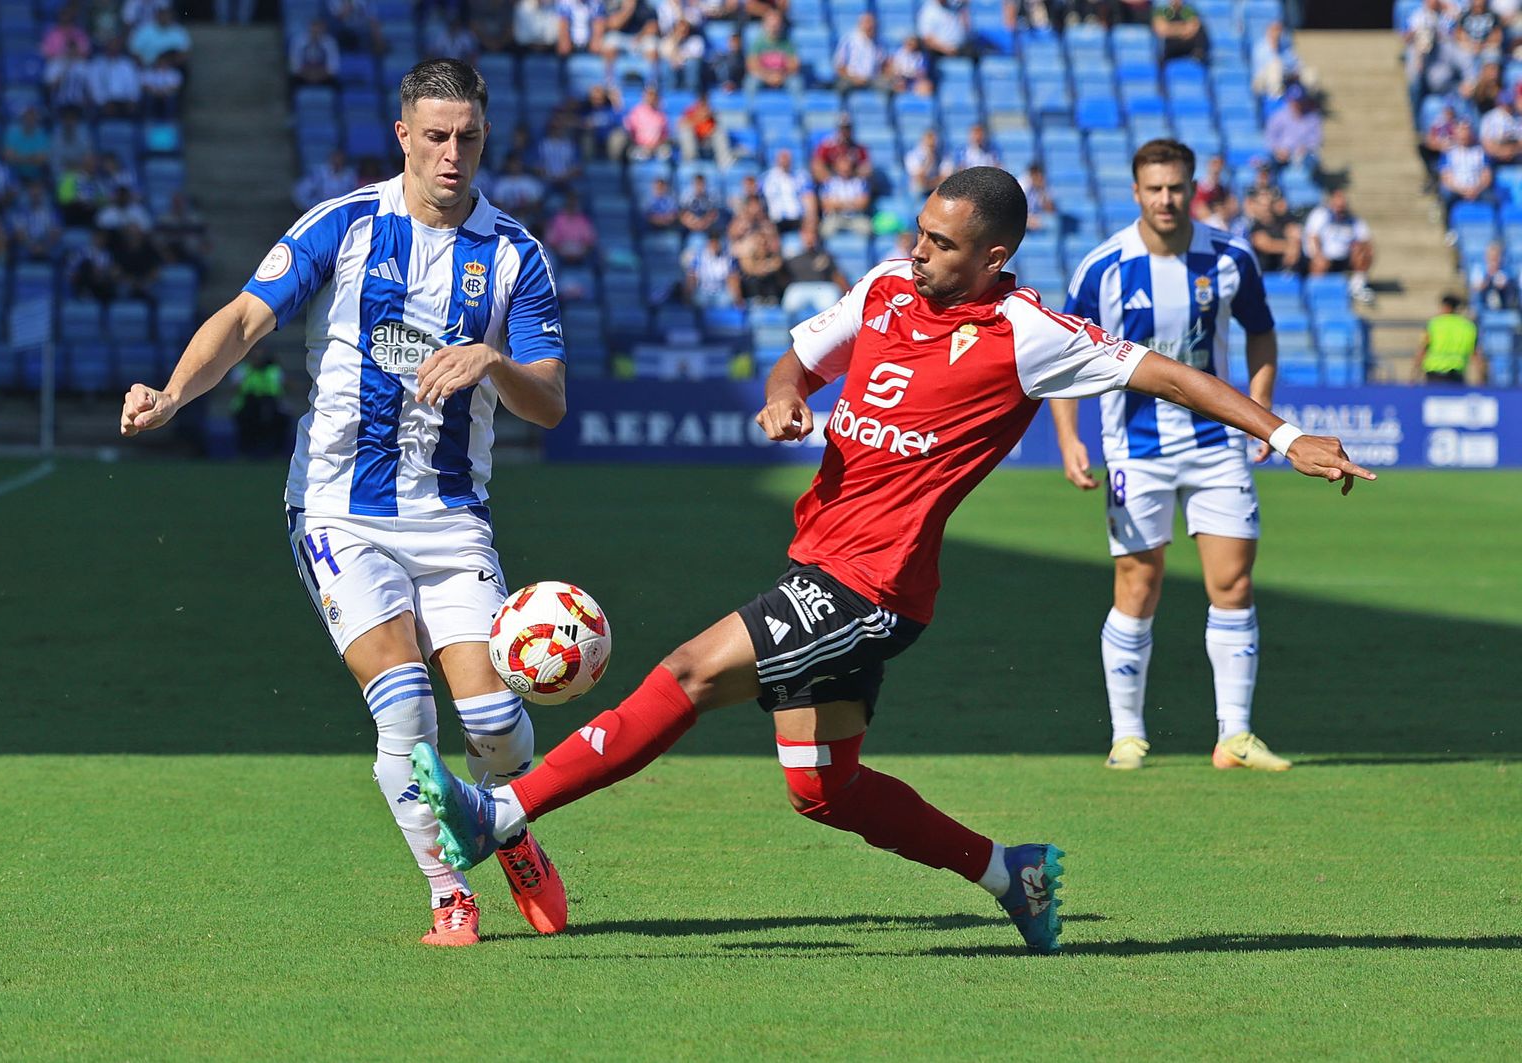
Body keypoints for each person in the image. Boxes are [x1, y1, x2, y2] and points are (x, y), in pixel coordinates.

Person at [405, 166, 1372, 956]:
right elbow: (800, 358)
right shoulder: (884, 288)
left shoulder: (1026, 333)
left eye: (943, 244)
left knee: (691, 671)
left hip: (871, 584)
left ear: (994, 257)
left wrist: (1286, 437)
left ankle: (503, 810)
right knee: (823, 789)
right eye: (920, 231)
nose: (920, 250)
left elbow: (1171, 374)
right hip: (822, 558)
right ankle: (1012, 872)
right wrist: (785, 396)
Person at [118, 58, 572, 949]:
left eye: (468, 137)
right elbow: (248, 318)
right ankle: (451, 892)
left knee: (494, 725)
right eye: (435, 137)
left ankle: (504, 819)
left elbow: (549, 400)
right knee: (403, 705)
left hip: (450, 517)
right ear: (402, 134)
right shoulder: (346, 224)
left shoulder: (515, 253)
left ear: (486, 136)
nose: (452, 154)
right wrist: (174, 393)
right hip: (337, 509)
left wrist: (495, 363)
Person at [1057, 139, 1288, 773]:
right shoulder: (1102, 268)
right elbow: (1062, 354)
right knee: (1139, 583)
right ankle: (1127, 734)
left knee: (1233, 583)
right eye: (1155, 188)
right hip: (1136, 448)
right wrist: (1070, 437)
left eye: (1177, 187)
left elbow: (1261, 333)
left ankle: (1234, 736)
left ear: (1193, 189)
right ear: (1136, 192)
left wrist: (1262, 415)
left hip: (1217, 447)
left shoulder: (1231, 257)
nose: (1166, 199)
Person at [1304, 188, 1375, 304]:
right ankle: (1315, 293)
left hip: (1345, 258)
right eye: (1337, 206)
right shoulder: (1320, 215)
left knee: (1364, 252)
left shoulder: (1354, 220)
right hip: (1324, 257)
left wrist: (1359, 248)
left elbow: (1366, 241)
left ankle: (1357, 286)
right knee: (1319, 262)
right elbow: (1312, 237)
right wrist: (1318, 255)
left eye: (1342, 206)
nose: (1340, 209)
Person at [1419, 293, 1486, 384]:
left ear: (1446, 307)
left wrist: (1414, 374)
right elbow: (1476, 354)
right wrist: (1481, 378)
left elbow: (1422, 350)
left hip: (1434, 374)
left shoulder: (1434, 324)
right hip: (1456, 374)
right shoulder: (1468, 326)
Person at [1152, 0, 1209, 64]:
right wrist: (1182, 29)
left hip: (1186, 44)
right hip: (1169, 47)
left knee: (1201, 29)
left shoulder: (1187, 10)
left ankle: (1199, 55)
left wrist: (1169, 28)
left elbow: (1193, 28)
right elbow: (1160, 29)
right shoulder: (1163, 10)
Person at [1469, 240, 1518, 311]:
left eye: (1496, 257)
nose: (1493, 259)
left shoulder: (1506, 269)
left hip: (1503, 303)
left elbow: (1503, 284)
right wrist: (1488, 278)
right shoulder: (1479, 269)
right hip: (1483, 303)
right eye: (1491, 256)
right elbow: (1476, 286)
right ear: (1486, 256)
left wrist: (1497, 277)